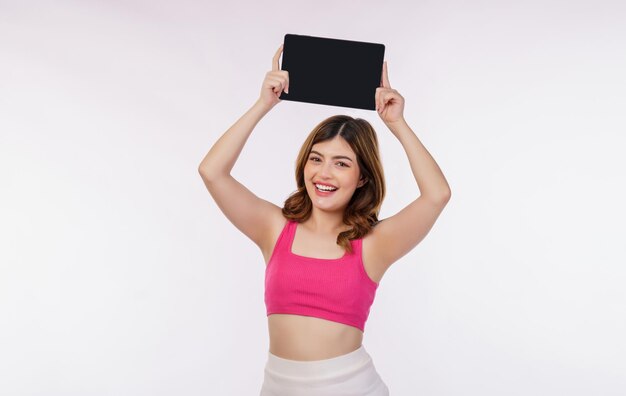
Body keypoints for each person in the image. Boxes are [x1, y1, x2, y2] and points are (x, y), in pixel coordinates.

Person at [198, 44, 451, 396]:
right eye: (316, 159)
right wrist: (263, 105)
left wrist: (397, 123)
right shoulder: (274, 229)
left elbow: (437, 195)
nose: (324, 173)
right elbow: (212, 172)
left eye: (342, 163)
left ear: (362, 177)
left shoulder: (376, 244)